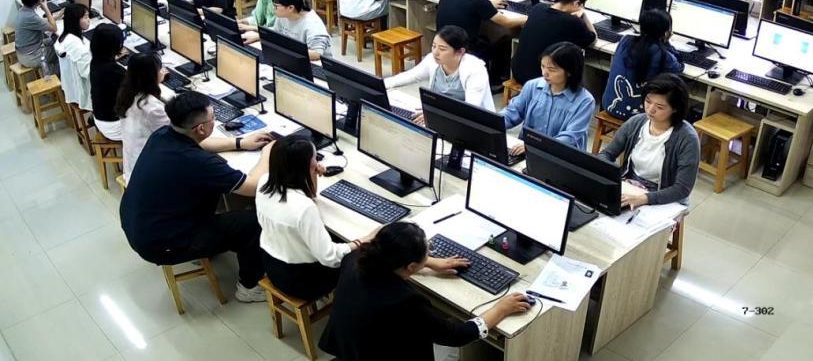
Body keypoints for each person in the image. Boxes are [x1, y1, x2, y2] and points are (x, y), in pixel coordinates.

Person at [120, 91, 274, 302]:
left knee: (214, 188)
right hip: (162, 244)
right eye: (213, 118)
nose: (215, 120)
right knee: (253, 222)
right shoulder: (197, 163)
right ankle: (249, 286)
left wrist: (240, 143)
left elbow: (200, 144)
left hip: (138, 223)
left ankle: (209, 245)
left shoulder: (163, 134)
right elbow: (253, 186)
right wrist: (269, 153)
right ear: (200, 128)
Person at [318, 222, 533, 360]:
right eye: (426, 252)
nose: (429, 253)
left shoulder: (355, 258)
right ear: (411, 267)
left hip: (351, 350)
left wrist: (430, 262)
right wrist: (501, 309)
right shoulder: (404, 302)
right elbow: (456, 335)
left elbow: (390, 257)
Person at [256, 135, 376, 301]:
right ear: (305, 166)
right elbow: (330, 258)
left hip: (272, 266)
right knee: (367, 253)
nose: (317, 161)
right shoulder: (303, 208)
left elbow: (311, 194)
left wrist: (310, 172)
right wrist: (362, 240)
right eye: (315, 158)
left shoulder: (264, 182)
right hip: (303, 281)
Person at [598, 73, 699, 208]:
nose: (651, 110)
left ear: (675, 109)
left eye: (660, 107)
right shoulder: (636, 122)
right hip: (631, 186)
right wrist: (611, 176)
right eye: (648, 101)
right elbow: (607, 154)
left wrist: (645, 198)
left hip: (665, 196)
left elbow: (682, 189)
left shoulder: (687, 138)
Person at [435, 0, 526, 81]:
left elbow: (468, 5)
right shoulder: (478, 1)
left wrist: (488, 5)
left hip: (444, 43)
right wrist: (526, 18)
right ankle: (495, 80)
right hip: (465, 49)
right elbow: (506, 23)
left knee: (485, 38)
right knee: (505, 41)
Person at [385, 26, 494, 121]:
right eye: (434, 46)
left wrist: (434, 114)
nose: (435, 52)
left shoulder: (475, 70)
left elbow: (471, 109)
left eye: (442, 49)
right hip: (439, 113)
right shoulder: (432, 60)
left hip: (468, 122)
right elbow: (411, 75)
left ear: (460, 52)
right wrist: (382, 84)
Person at [503, 42, 595, 154]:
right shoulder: (532, 86)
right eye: (542, 66)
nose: (544, 73)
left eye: (552, 70)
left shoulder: (585, 101)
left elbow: (569, 137)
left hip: (560, 156)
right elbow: (513, 112)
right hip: (527, 152)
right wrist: (493, 122)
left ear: (570, 72)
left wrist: (534, 146)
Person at [602, 9, 683, 120]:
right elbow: (679, 67)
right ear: (665, 32)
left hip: (610, 105)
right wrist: (666, 42)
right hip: (638, 116)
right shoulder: (663, 54)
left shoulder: (625, 40)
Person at [511, 0, 595, 83]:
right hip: (541, 79)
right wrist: (584, 15)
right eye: (581, 6)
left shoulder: (538, 8)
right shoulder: (573, 22)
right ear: (576, 3)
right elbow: (593, 38)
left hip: (518, 72)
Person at [115, 53, 169, 182]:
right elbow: (173, 134)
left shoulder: (127, 92)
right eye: (159, 69)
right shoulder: (151, 107)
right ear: (151, 75)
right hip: (146, 172)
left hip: (133, 162)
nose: (162, 71)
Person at [244, 0, 331, 60]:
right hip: (294, 57)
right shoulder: (283, 16)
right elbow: (277, 33)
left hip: (315, 63)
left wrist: (286, 50)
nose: (274, 9)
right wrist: (258, 36)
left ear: (290, 8)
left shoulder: (313, 25)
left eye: (276, 6)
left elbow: (317, 54)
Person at [89, 24, 126, 141]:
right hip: (115, 126)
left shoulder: (95, 61)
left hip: (100, 118)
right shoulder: (115, 71)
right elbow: (140, 87)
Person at [14, 0, 59, 77]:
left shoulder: (23, 11)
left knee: (55, 39)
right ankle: (53, 77)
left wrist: (60, 14)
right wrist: (46, 8)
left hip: (25, 52)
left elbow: (42, 22)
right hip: (31, 58)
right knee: (61, 50)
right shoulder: (30, 16)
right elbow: (54, 28)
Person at [54, 3, 92, 111]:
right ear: (75, 20)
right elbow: (89, 73)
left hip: (72, 89)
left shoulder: (65, 37)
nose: (89, 20)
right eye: (85, 17)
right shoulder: (76, 45)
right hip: (86, 93)